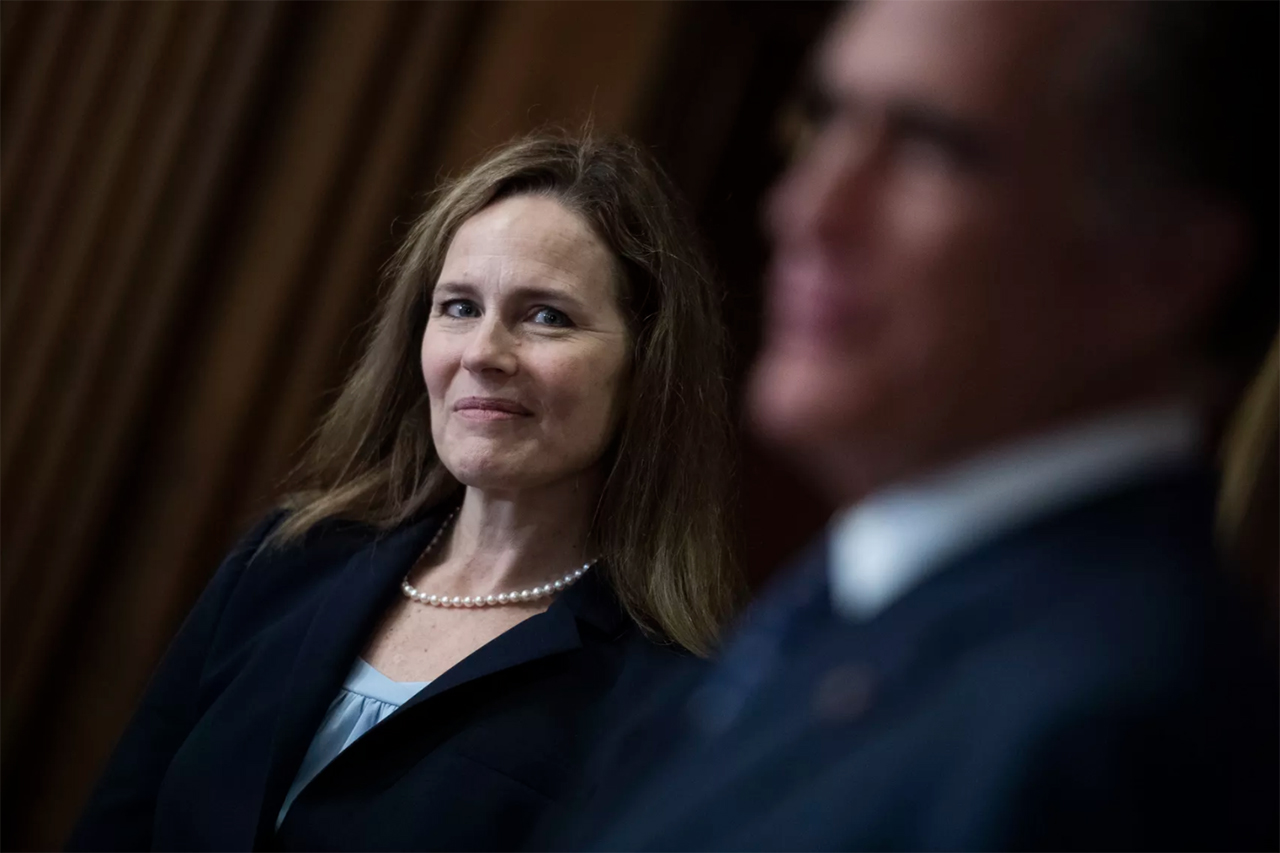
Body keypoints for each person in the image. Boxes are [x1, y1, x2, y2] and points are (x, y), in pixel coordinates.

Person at [546, 2, 1279, 850]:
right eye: (824, 122)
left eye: (931, 147)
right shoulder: (859, 604)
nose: (805, 209)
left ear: (1166, 265)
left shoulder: (1125, 732)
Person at [66, 131, 741, 851]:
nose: (483, 352)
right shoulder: (288, 557)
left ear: (647, 369)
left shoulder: (665, 702)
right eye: (458, 306)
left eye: (547, 315)